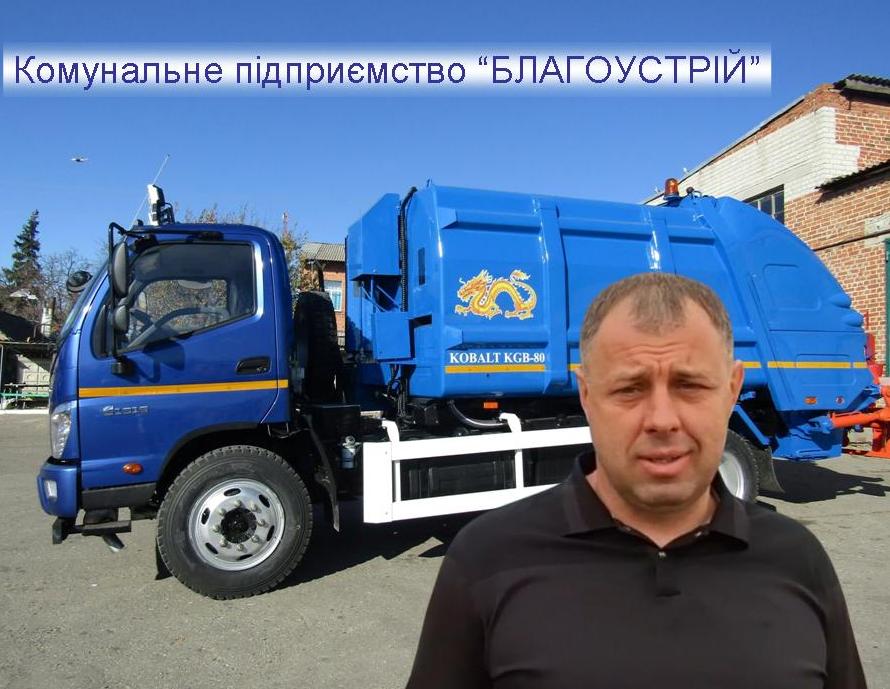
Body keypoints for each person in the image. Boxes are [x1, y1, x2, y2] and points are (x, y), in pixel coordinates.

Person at [406, 272, 866, 689]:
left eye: (690, 385)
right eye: (630, 388)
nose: (662, 419)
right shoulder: (487, 558)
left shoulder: (796, 559)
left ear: (731, 389)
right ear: (587, 395)